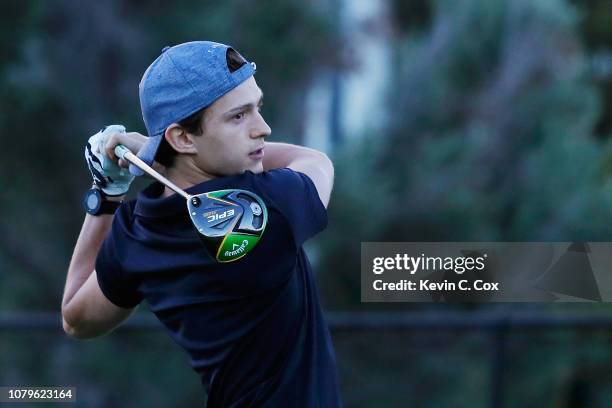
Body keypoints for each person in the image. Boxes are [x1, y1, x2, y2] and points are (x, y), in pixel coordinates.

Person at [61, 41, 342, 407]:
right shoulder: (271, 207)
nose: (263, 128)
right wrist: (154, 151)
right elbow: (315, 162)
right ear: (182, 137)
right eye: (238, 116)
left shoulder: (135, 232)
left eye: (258, 108)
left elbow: (76, 319)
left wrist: (109, 190)